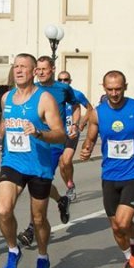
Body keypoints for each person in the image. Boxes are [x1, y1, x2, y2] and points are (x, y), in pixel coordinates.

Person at [0, 53, 66, 268]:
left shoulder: (44, 99)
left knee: (39, 219)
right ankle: (13, 250)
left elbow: (60, 133)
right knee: (4, 210)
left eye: (24, 67)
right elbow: (5, 121)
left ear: (34, 71)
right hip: (12, 161)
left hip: (39, 165)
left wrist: (39, 132)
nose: (18, 70)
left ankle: (43, 257)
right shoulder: (7, 98)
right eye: (16, 67)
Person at [80, 70, 134, 268]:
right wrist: (87, 148)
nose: (114, 93)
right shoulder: (97, 113)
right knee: (116, 228)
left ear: (125, 86)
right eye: (110, 89)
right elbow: (90, 137)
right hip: (109, 175)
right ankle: (131, 254)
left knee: (124, 223)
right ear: (104, 88)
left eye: (118, 89)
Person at [16, 56, 77, 247]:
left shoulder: (63, 88)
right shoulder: (32, 90)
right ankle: (61, 200)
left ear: (52, 69)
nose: (41, 72)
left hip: (54, 145)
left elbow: (76, 105)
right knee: (41, 184)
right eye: (38, 69)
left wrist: (75, 124)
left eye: (44, 69)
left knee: (38, 185)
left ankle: (31, 229)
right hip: (35, 144)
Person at [57, 70, 92, 201]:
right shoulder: (53, 94)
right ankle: (70, 185)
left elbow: (90, 108)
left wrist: (81, 123)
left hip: (72, 132)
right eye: (60, 80)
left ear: (70, 81)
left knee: (66, 160)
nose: (62, 82)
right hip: (58, 133)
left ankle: (70, 185)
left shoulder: (76, 94)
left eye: (65, 80)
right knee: (61, 163)